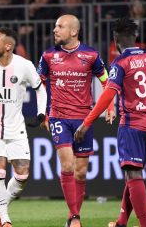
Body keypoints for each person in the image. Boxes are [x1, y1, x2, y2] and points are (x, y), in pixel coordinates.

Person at [74, 17, 146, 227]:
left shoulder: (120, 62)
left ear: (116, 40)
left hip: (132, 124)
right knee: (133, 173)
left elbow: (108, 94)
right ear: (135, 37)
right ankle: (121, 222)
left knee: (133, 173)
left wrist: (87, 122)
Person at [37, 14, 115, 227]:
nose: (55, 30)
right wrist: (43, 112)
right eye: (55, 26)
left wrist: (110, 106)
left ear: (73, 31)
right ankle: (75, 218)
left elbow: (107, 81)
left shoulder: (91, 55)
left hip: (84, 118)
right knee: (68, 165)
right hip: (58, 116)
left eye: (60, 26)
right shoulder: (48, 56)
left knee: (80, 172)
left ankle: (73, 214)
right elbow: (39, 86)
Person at [0, 27, 47, 227]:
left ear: (8, 46)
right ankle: (5, 220)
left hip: (16, 127)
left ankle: (1, 204)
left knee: (22, 174)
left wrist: (41, 113)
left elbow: (40, 89)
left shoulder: (24, 65)